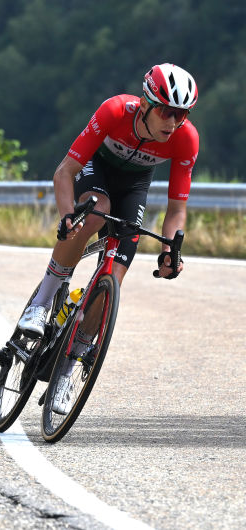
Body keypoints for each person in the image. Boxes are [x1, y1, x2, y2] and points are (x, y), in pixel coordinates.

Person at [13, 64, 199, 410]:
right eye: (166, 111)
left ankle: (69, 367)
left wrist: (170, 250)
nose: (173, 122)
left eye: (182, 114)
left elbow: (176, 210)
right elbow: (64, 171)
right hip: (94, 170)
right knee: (97, 209)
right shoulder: (114, 111)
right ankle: (42, 302)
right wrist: (68, 215)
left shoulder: (186, 138)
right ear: (145, 103)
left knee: (116, 273)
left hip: (134, 187)